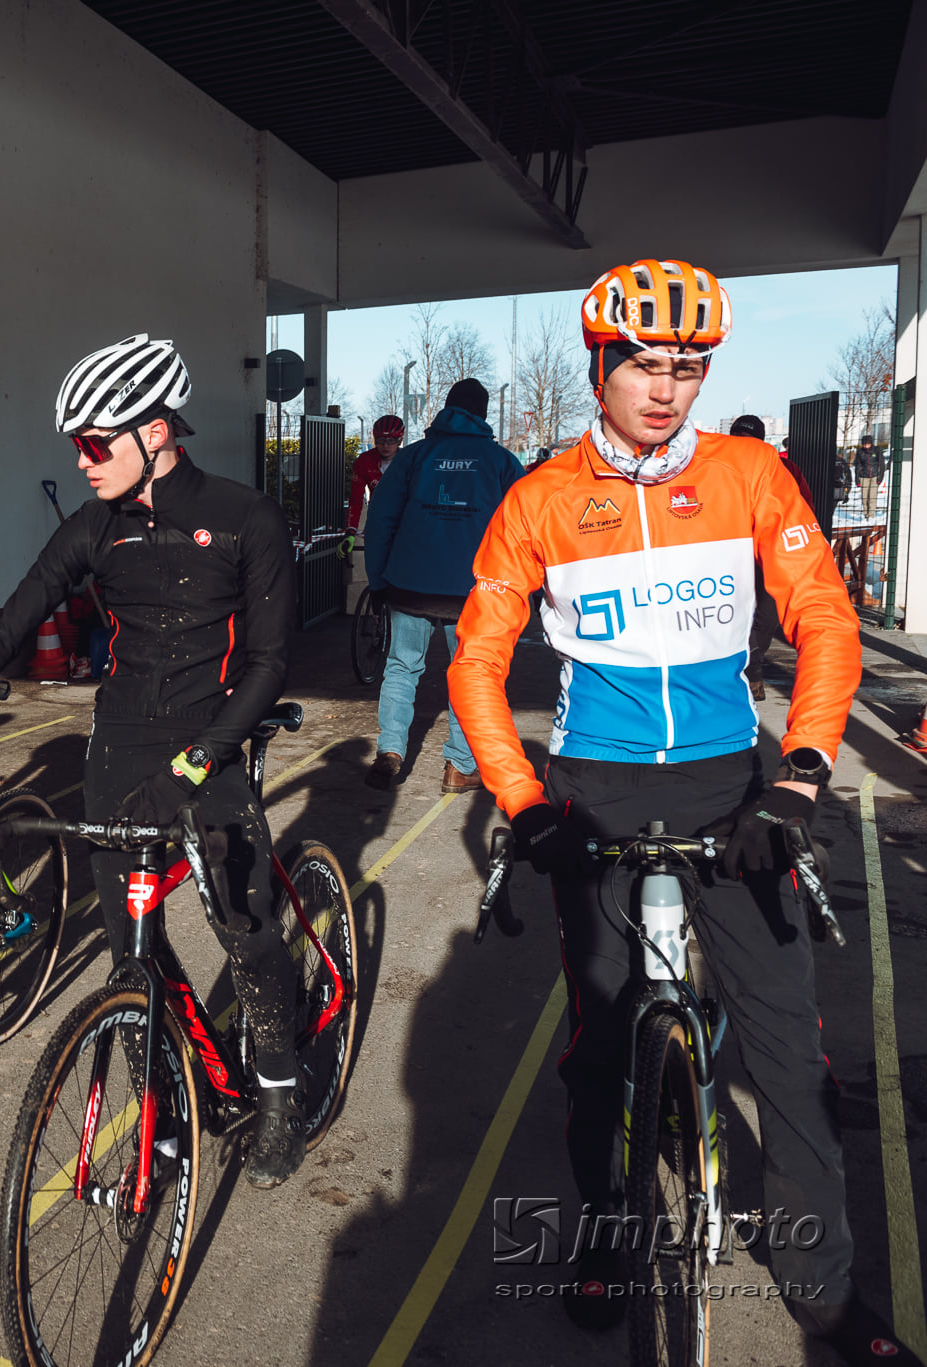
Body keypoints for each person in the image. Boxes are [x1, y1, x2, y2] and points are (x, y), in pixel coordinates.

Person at [447, 261, 907, 1363]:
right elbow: (474, 658)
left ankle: (823, 1291)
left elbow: (823, 615)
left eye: (688, 368)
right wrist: (521, 797)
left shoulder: (748, 474)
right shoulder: (539, 499)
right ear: (599, 365)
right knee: (597, 1044)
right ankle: (606, 1233)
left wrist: (801, 771)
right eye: (645, 364)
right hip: (594, 786)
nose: (665, 389)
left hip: (731, 781)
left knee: (786, 1050)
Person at [0, 334, 308, 1185]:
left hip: (211, 739)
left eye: (95, 443)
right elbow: (5, 628)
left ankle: (283, 1094)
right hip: (120, 746)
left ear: (155, 432)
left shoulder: (247, 516)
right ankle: (161, 1109)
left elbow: (268, 665)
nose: (81, 460)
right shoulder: (95, 526)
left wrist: (196, 765)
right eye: (76, 444)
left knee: (245, 929)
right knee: (130, 950)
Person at [362, 378, 520, 793]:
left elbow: (380, 521)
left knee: (401, 667)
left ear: (447, 409)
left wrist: (378, 581)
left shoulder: (413, 456)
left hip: (409, 585)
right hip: (473, 592)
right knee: (470, 674)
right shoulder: (501, 462)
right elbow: (525, 529)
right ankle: (458, 766)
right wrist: (526, 592)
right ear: (483, 413)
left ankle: (390, 752)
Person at [730, 414, 813, 701]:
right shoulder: (717, 469)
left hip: (771, 555)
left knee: (766, 618)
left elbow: (804, 509)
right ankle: (747, 673)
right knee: (732, 613)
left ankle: (752, 667)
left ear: (763, 443)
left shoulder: (785, 468)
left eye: (750, 442)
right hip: (732, 555)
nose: (745, 448)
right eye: (739, 441)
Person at [343, 414, 405, 541]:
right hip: (378, 520)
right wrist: (351, 530)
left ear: (400, 440)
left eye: (391, 441)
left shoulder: (409, 460)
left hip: (405, 522)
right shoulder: (364, 461)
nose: (385, 446)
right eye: (381, 440)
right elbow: (356, 499)